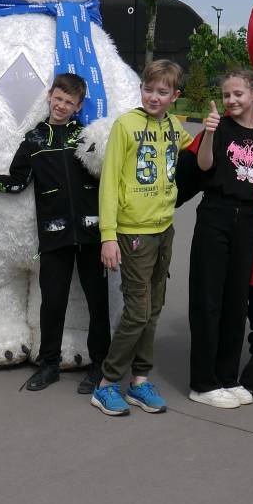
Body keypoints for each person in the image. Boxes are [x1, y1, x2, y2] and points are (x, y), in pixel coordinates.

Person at [0, 73, 110, 395]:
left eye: (69, 102)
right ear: (50, 96)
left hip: (92, 235)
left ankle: (100, 366)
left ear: (78, 107)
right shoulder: (33, 140)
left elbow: (109, 176)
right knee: (53, 303)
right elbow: (15, 183)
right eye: (58, 98)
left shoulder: (87, 137)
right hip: (54, 235)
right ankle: (49, 365)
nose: (61, 105)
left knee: (98, 303)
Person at [94, 59, 193, 416]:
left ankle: (139, 381)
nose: (153, 97)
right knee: (137, 313)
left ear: (174, 96)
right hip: (133, 232)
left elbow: (196, 152)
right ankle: (106, 384)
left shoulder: (174, 126)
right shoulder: (125, 126)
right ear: (141, 90)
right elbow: (108, 183)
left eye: (162, 92)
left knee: (153, 310)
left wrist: (217, 130)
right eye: (148, 89)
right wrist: (108, 236)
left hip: (164, 228)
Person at [186, 69, 253, 409]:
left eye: (238, 93)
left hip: (247, 219)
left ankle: (227, 376)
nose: (231, 100)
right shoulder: (219, 128)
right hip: (216, 215)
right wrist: (208, 133)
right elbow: (204, 165)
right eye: (226, 95)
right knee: (208, 301)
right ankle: (202, 383)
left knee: (237, 302)